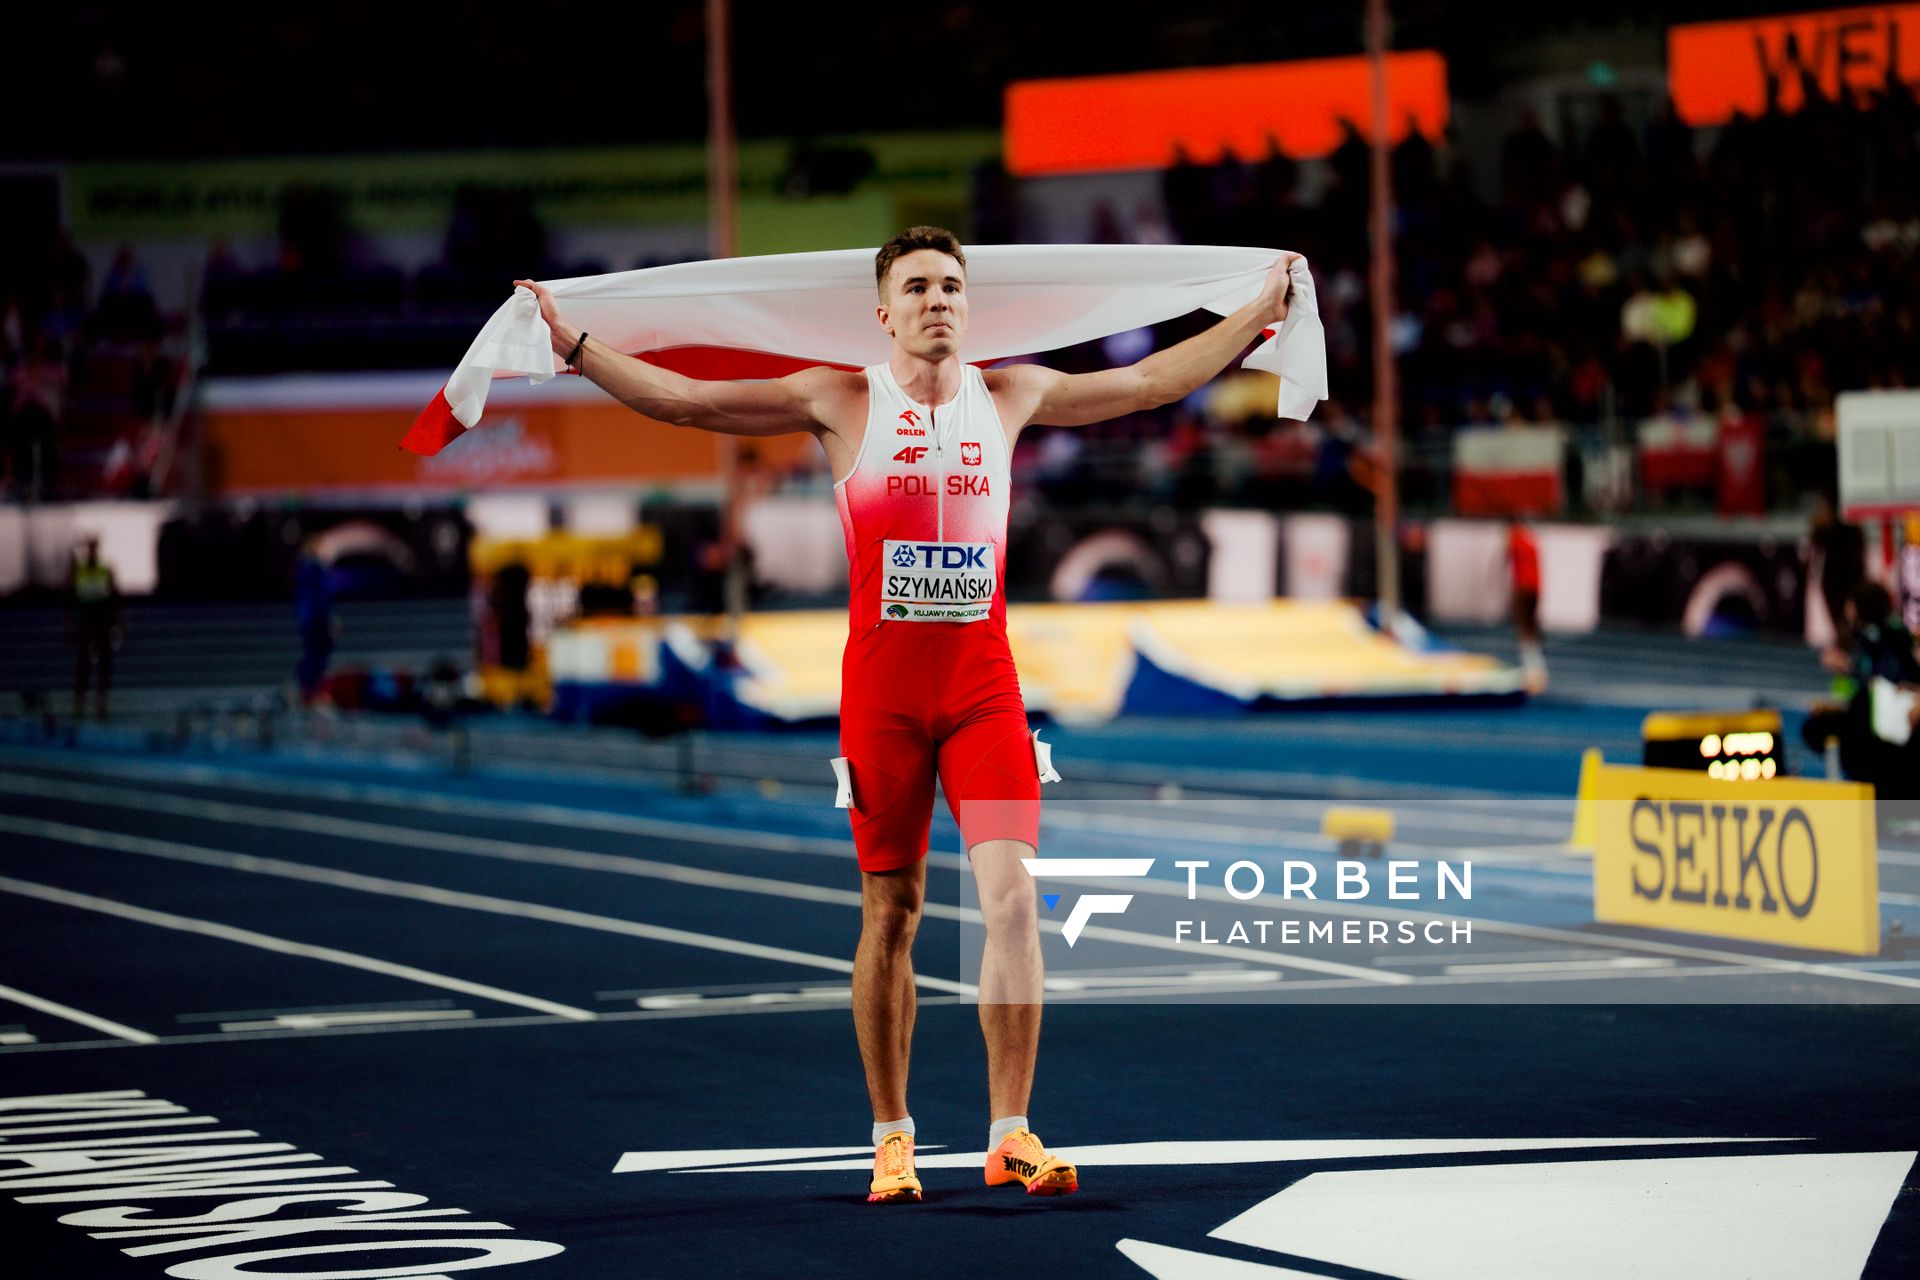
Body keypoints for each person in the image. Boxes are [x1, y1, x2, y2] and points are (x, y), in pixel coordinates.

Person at [515, 227, 1297, 1203]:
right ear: (883, 313)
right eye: (918, 287)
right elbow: (688, 400)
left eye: (951, 286)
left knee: (1014, 899)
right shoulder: (839, 399)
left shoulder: (1012, 395)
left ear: (969, 305)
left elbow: (1146, 384)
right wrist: (576, 345)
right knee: (893, 913)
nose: (938, 301)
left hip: (984, 690)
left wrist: (1254, 316)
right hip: (883, 698)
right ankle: (892, 1134)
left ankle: (1011, 1132)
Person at [65, 536, 121, 721]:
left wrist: (119, 623)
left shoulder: (105, 570)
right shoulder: (78, 571)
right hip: (86, 623)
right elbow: (69, 598)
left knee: (104, 666)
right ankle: (79, 707)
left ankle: (101, 707)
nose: (92, 551)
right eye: (89, 547)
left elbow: (116, 597)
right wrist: (67, 624)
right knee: (83, 666)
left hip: (102, 622)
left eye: (94, 547)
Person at [1507, 517, 1547, 693]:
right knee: (1530, 628)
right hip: (1535, 588)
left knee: (1524, 630)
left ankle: (1533, 672)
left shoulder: (1516, 538)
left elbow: (1507, 556)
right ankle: (1536, 670)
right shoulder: (1531, 540)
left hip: (1524, 588)